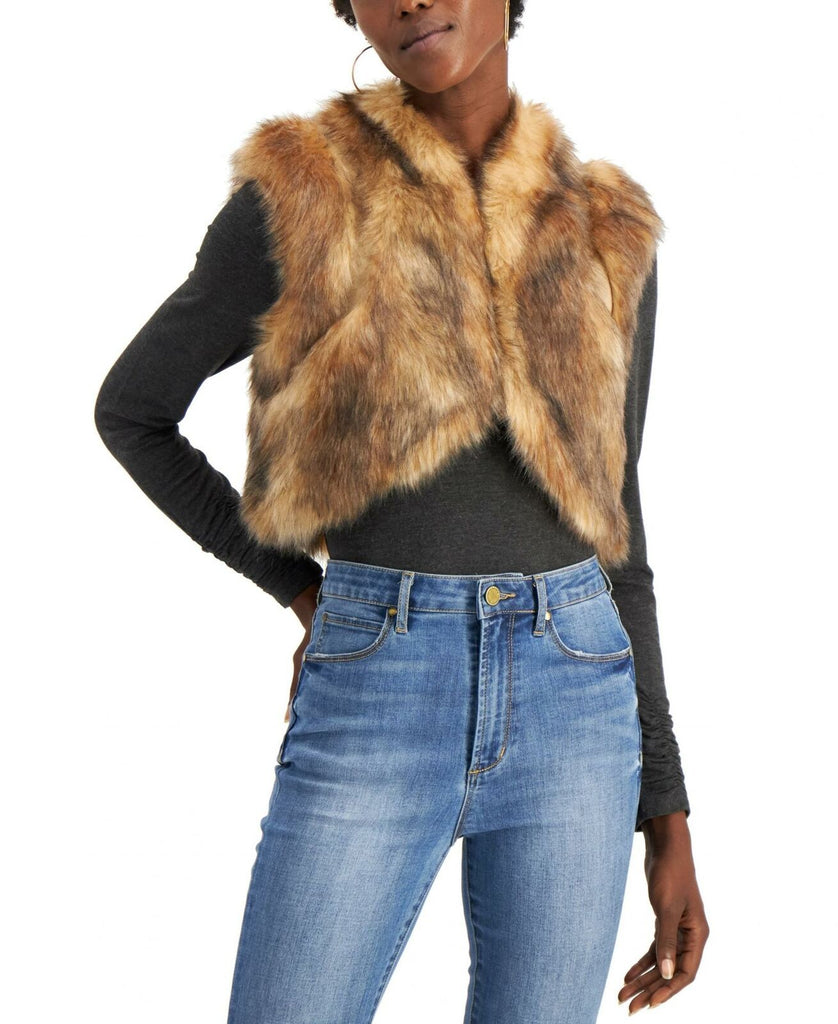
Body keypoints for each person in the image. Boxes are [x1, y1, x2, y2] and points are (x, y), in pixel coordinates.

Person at [94, 1, 709, 1021]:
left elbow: (619, 530)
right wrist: (303, 589)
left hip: (579, 705)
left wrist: (668, 811)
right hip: (377, 683)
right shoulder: (302, 195)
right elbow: (134, 412)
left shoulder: (607, 226)